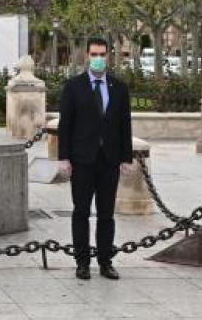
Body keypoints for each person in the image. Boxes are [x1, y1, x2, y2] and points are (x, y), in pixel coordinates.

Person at [57, 37, 134, 281]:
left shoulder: (119, 87)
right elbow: (65, 125)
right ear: (87, 56)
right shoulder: (74, 87)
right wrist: (64, 157)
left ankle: (105, 262)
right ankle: (82, 262)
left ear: (108, 56)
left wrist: (126, 158)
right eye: (94, 54)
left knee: (106, 214)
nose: (98, 58)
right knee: (81, 211)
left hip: (109, 161)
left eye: (102, 54)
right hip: (82, 160)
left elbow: (125, 125)